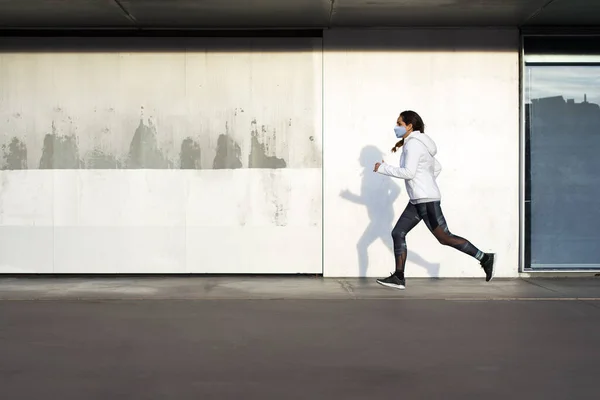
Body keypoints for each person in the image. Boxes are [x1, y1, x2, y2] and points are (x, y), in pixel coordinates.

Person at [373, 110, 495, 290]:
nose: (396, 127)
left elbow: (409, 172)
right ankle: (399, 277)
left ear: (409, 126)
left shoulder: (414, 145)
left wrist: (383, 168)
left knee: (445, 237)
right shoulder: (417, 144)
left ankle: (484, 258)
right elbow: (436, 168)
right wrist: (424, 183)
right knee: (398, 233)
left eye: (399, 123)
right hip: (418, 200)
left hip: (426, 200)